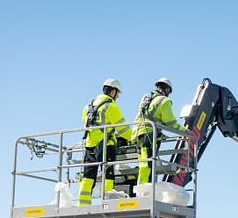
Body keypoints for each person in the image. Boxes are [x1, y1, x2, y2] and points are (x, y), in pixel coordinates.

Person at [78, 78, 132, 206]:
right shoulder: (110, 106)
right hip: (105, 145)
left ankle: (83, 204)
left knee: (87, 176)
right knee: (108, 175)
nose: (117, 96)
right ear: (112, 91)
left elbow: (84, 122)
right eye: (117, 93)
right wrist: (134, 138)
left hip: (90, 145)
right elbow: (123, 128)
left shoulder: (88, 106)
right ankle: (107, 203)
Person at [131, 77, 187, 185]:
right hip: (149, 135)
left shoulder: (146, 97)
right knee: (148, 165)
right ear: (167, 90)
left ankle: (141, 188)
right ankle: (145, 190)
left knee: (143, 163)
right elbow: (170, 122)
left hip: (138, 133)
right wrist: (184, 131)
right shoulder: (164, 101)